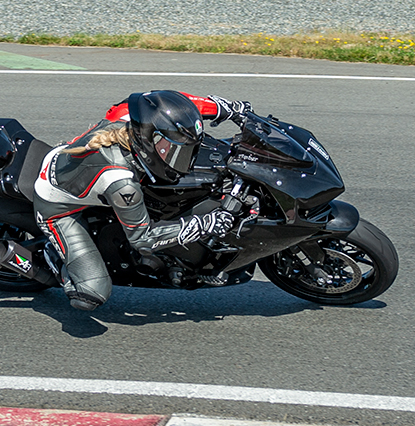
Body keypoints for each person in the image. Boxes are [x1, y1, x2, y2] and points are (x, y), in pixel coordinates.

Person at [32, 90, 252, 311]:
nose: (183, 158)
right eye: (173, 150)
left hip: (72, 166)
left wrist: (226, 109)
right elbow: (143, 239)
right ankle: (54, 260)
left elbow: (176, 107)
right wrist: (205, 224)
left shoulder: (134, 114)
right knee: (92, 294)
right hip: (57, 208)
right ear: (148, 141)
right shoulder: (122, 183)